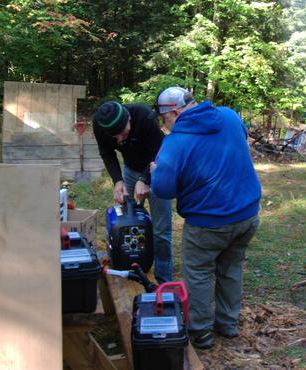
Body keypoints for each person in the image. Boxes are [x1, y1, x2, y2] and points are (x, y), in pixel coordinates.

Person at [150, 87, 261, 349]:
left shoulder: (176, 142)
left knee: (199, 273)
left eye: (164, 119)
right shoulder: (229, 116)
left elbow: (163, 190)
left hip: (208, 221)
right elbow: (238, 141)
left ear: (174, 112)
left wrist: (156, 172)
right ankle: (228, 324)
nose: (165, 126)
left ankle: (200, 332)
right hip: (247, 214)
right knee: (231, 268)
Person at [93, 101, 173, 283]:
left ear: (129, 118)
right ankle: (131, 263)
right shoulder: (99, 123)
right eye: (115, 136)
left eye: (123, 133)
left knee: (161, 230)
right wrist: (117, 180)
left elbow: (161, 151)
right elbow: (107, 153)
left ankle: (163, 279)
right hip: (130, 170)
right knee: (127, 222)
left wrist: (145, 180)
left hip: (157, 170)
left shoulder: (144, 117)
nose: (120, 140)